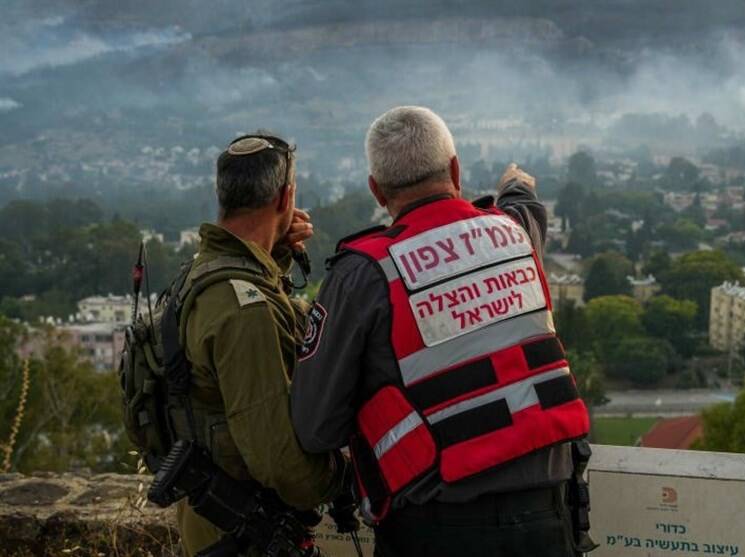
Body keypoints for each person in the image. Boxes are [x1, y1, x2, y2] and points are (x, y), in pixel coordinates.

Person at [290, 107, 592, 557]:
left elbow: (315, 428)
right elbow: (526, 213)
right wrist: (516, 187)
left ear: (376, 190)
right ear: (455, 169)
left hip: (435, 528)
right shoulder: (513, 236)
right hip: (548, 521)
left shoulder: (363, 275)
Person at [174, 134, 346, 556]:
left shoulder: (201, 272)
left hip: (209, 521)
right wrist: (346, 475)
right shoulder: (244, 311)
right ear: (286, 196)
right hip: (242, 534)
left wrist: (277, 254)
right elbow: (281, 464)